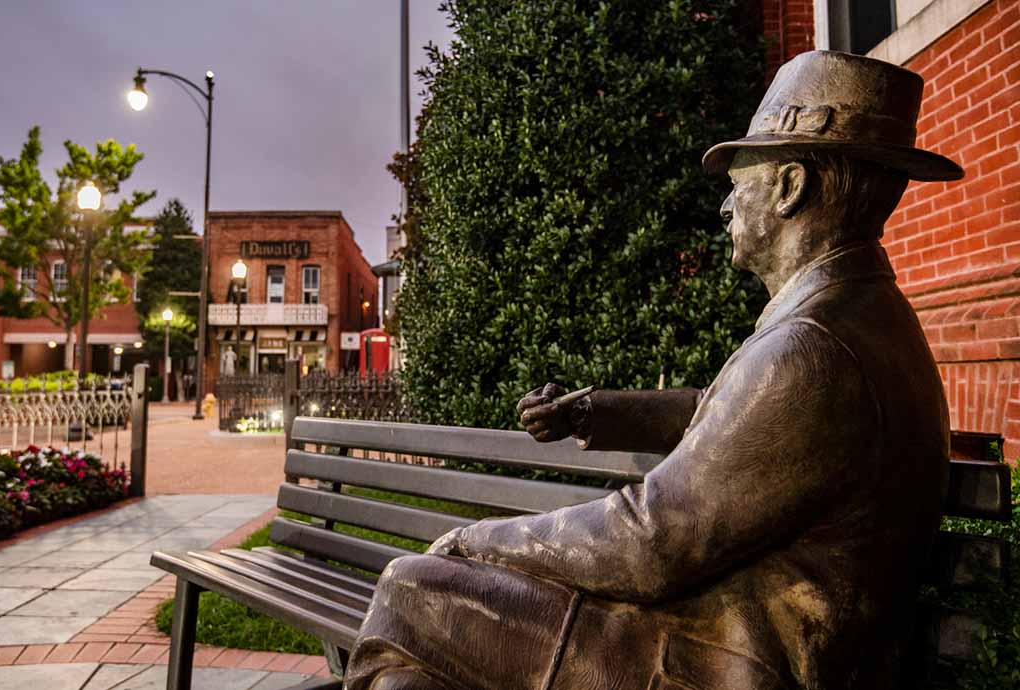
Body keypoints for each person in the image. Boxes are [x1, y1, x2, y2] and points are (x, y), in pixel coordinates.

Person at [344, 51, 964, 690]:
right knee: (414, 662)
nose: (725, 206)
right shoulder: (851, 313)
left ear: (789, 188)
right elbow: (726, 412)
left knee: (413, 591)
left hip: (733, 663)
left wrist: (479, 540)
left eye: (737, 180)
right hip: (750, 640)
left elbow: (652, 540)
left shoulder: (813, 348)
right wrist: (596, 410)